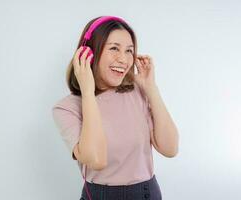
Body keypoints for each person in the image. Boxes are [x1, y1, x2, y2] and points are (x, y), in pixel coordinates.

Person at [52, 15, 179, 200]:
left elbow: (170, 148)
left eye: (129, 51)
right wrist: (88, 92)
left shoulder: (138, 92)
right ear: (88, 53)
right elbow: (97, 160)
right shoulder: (66, 108)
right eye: (114, 48)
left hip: (145, 194)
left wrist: (152, 89)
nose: (123, 59)